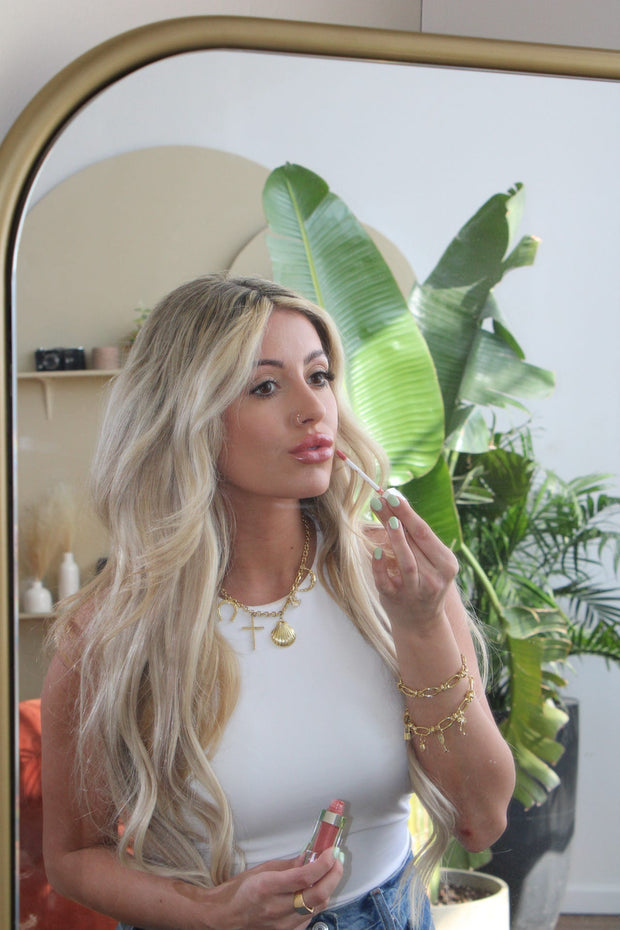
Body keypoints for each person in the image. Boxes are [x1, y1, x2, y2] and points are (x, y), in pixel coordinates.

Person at [41, 274, 515, 930]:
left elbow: (482, 818)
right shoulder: (113, 629)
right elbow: (72, 855)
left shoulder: (400, 583)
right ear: (191, 417)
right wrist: (206, 911)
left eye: (318, 376)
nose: (312, 409)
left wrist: (422, 623)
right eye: (266, 385)